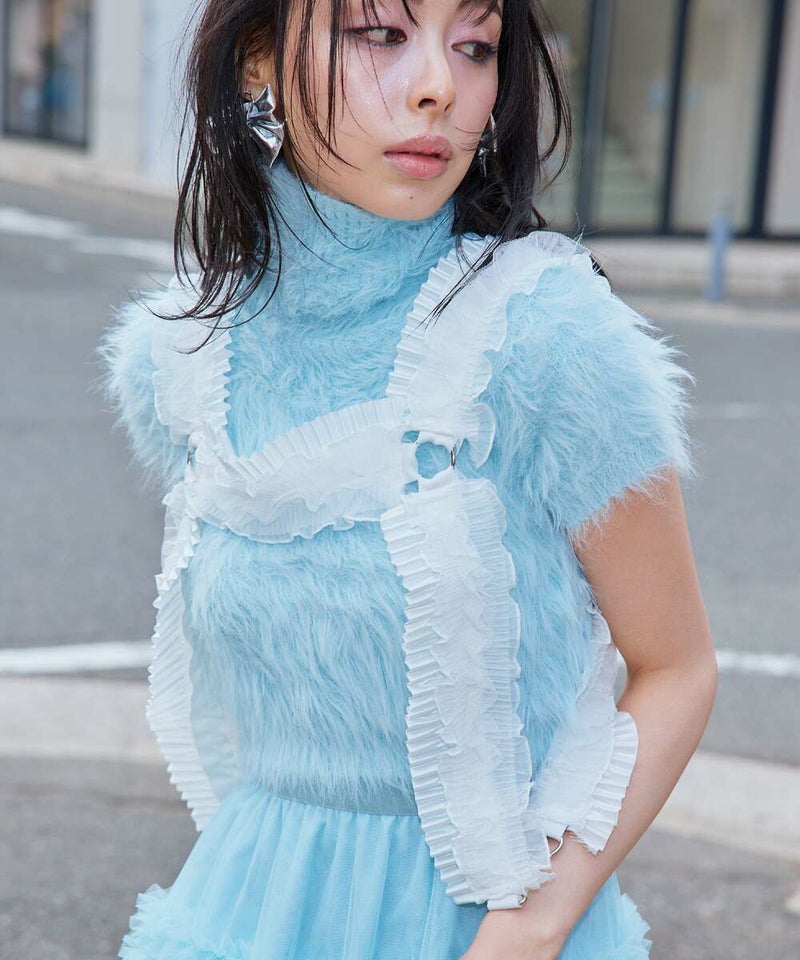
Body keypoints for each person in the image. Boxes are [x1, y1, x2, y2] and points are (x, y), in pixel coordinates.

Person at [96, 1, 718, 958]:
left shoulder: (547, 338)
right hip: (245, 917)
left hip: (485, 927)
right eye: (381, 33)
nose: (439, 86)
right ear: (258, 62)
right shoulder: (176, 361)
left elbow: (677, 668)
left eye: (475, 46)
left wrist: (532, 928)